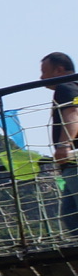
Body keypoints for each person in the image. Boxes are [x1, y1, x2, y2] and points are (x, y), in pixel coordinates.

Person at [45, 53, 78, 237]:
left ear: (59, 70)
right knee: (70, 215)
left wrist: (64, 145)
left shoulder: (65, 86)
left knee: (71, 216)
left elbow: (73, 113)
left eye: (44, 71)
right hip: (70, 165)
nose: (41, 77)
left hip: (74, 161)